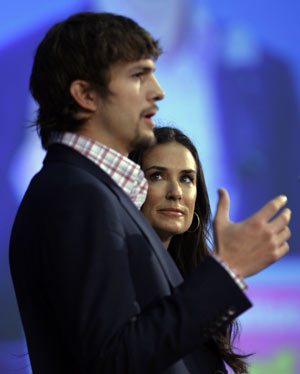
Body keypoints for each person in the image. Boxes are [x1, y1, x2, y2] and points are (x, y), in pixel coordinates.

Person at [9, 12, 291, 374]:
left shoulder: (89, 191)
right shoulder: (77, 196)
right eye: (139, 75)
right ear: (85, 94)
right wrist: (228, 269)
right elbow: (116, 361)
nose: (158, 91)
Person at [129, 126, 251, 373]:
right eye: (156, 176)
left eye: (187, 179)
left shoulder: (194, 277)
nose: (176, 193)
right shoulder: (122, 274)